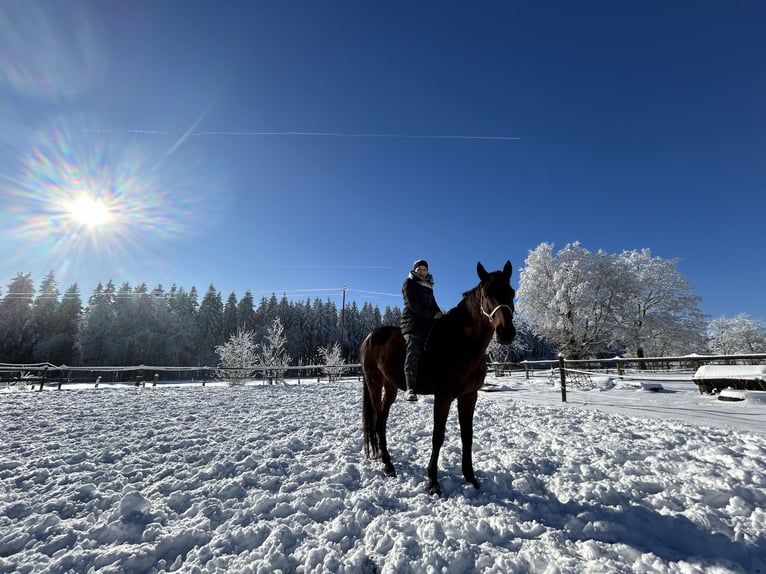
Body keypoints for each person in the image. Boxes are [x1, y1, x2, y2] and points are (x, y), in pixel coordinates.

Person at [401, 259, 443, 401]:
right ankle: (410, 387)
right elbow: (412, 304)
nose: (422, 271)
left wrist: (439, 313)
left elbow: (433, 303)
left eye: (424, 269)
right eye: (419, 269)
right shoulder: (409, 283)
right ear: (414, 270)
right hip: (412, 322)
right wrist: (432, 314)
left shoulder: (429, 285)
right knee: (414, 348)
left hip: (427, 322)